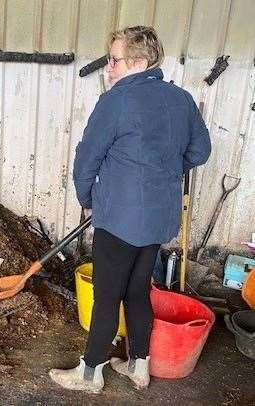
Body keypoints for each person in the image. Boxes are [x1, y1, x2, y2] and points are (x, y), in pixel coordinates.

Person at [49, 26, 211, 393]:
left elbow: (86, 159)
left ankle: (90, 374)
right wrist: (165, 167)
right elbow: (200, 152)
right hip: (158, 219)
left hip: (120, 219)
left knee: (108, 294)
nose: (108, 67)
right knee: (138, 290)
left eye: (114, 59)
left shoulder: (117, 101)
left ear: (139, 61)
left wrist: (86, 197)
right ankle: (139, 366)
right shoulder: (181, 99)